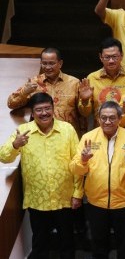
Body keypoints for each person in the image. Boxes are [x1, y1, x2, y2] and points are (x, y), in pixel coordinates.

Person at [0, 93, 82, 258]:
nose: (44, 113)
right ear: (32, 112)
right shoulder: (23, 131)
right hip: (37, 200)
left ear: (53, 109)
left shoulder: (67, 130)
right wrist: (16, 145)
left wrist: (78, 194)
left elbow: (78, 163)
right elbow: (3, 156)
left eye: (47, 108)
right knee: (40, 244)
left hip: (64, 198)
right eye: (39, 110)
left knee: (67, 243)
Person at [70, 101, 125, 258]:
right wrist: (83, 160)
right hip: (96, 203)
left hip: (124, 202)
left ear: (120, 118)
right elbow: (75, 168)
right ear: (98, 118)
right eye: (103, 118)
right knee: (99, 247)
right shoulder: (88, 138)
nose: (107, 122)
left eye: (112, 118)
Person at [7, 47, 83, 135]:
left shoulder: (74, 83)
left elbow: (83, 114)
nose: (47, 67)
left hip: (67, 135)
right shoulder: (34, 82)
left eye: (51, 63)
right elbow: (11, 104)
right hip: (41, 135)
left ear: (60, 63)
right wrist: (24, 93)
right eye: (44, 63)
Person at [78, 37, 125, 128]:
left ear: (122, 56)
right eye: (107, 57)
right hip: (99, 131)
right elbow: (85, 114)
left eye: (114, 57)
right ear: (100, 57)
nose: (111, 61)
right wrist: (84, 100)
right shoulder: (92, 78)